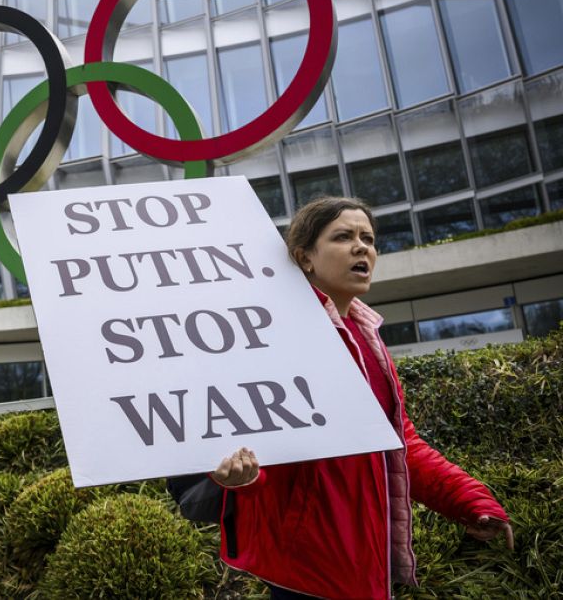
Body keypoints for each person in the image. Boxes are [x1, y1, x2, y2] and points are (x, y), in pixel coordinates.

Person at [209, 197, 513, 600]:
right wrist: (245, 480)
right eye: (343, 237)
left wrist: (470, 501)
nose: (362, 248)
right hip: (308, 569)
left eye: (368, 238)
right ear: (304, 258)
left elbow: (399, 444)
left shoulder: (368, 338)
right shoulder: (270, 336)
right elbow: (261, 448)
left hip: (364, 564)